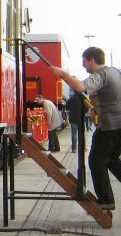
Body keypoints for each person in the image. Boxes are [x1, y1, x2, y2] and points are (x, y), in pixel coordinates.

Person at [52, 46, 121, 211]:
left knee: (96, 161)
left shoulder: (101, 75)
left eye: (84, 62)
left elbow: (80, 86)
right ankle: (107, 198)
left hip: (110, 126)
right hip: (117, 125)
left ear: (92, 60)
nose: (83, 65)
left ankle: (106, 200)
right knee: (110, 160)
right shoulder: (115, 71)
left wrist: (62, 74)